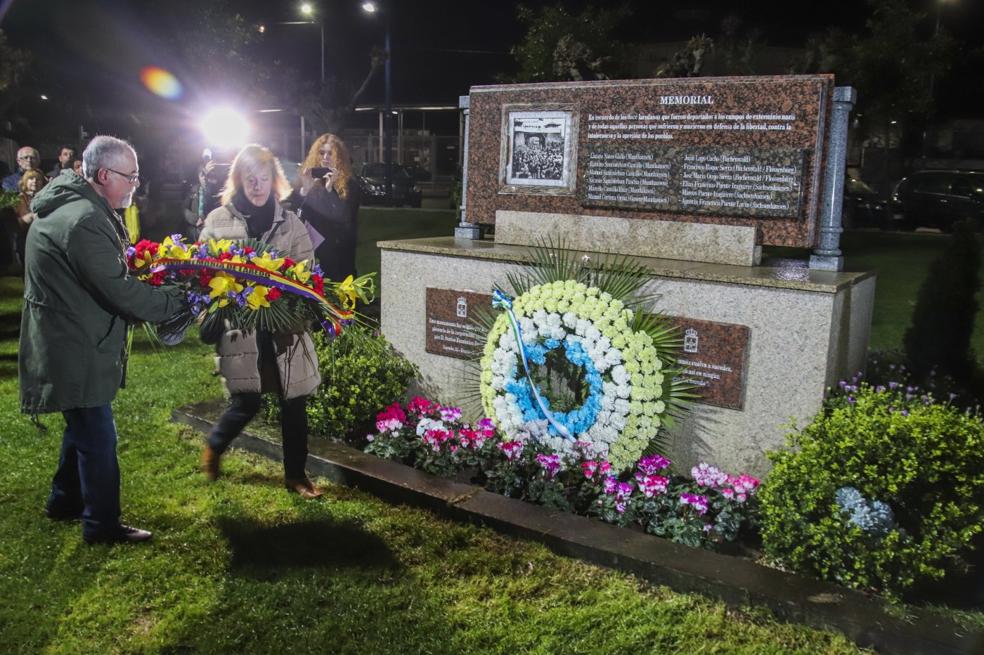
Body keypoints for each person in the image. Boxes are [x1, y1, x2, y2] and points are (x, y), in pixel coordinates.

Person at [19, 135, 188, 545]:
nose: (135, 184)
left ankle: (64, 500)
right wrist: (179, 299)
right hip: (75, 344)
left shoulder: (74, 207)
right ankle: (102, 524)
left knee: (80, 424)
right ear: (102, 174)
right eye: (130, 177)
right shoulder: (83, 221)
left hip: (68, 338)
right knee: (98, 435)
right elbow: (120, 291)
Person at [199, 144, 323, 499]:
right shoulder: (217, 221)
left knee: (293, 402)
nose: (257, 186)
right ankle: (215, 447)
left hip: (285, 330)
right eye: (250, 179)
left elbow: (307, 273)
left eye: (264, 179)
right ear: (239, 180)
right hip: (243, 330)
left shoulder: (290, 222)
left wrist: (293, 308)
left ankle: (296, 476)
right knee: (247, 401)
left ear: (274, 181)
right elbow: (204, 274)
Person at [294, 133, 360, 281]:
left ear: (339, 156)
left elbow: (343, 218)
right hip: (313, 252)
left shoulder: (349, 184)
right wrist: (304, 191)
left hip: (339, 255)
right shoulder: (310, 182)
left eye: (330, 153)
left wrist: (330, 190)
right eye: (321, 153)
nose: (325, 157)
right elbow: (297, 217)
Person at [183, 151, 227, 241]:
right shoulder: (193, 189)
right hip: (194, 231)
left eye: (210, 175)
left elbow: (211, 203)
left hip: (213, 232)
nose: (205, 178)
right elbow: (183, 208)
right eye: (202, 175)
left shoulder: (220, 192)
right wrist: (195, 219)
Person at [13, 169, 47, 269]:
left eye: (38, 179)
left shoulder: (46, 196)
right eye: (31, 178)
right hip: (26, 238)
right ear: (25, 181)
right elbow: (21, 219)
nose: (35, 181)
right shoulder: (20, 198)